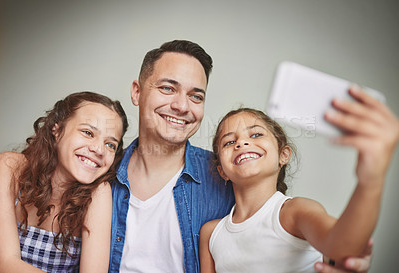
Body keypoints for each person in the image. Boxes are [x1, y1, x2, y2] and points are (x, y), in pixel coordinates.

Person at [110, 39, 375, 273]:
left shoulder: (226, 178)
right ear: (137, 91)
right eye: (168, 88)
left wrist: (340, 258)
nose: (181, 106)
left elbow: (323, 240)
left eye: (196, 96)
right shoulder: (100, 174)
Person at [199, 91, 399, 272]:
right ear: (222, 171)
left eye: (256, 134)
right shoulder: (211, 234)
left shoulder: (295, 212)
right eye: (229, 142)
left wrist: (370, 181)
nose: (241, 143)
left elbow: (343, 247)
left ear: (283, 155)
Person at [0, 91, 129, 273]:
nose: (99, 149)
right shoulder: (10, 168)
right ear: (57, 129)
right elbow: (5, 263)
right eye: (88, 132)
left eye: (110, 145)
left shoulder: (98, 192)